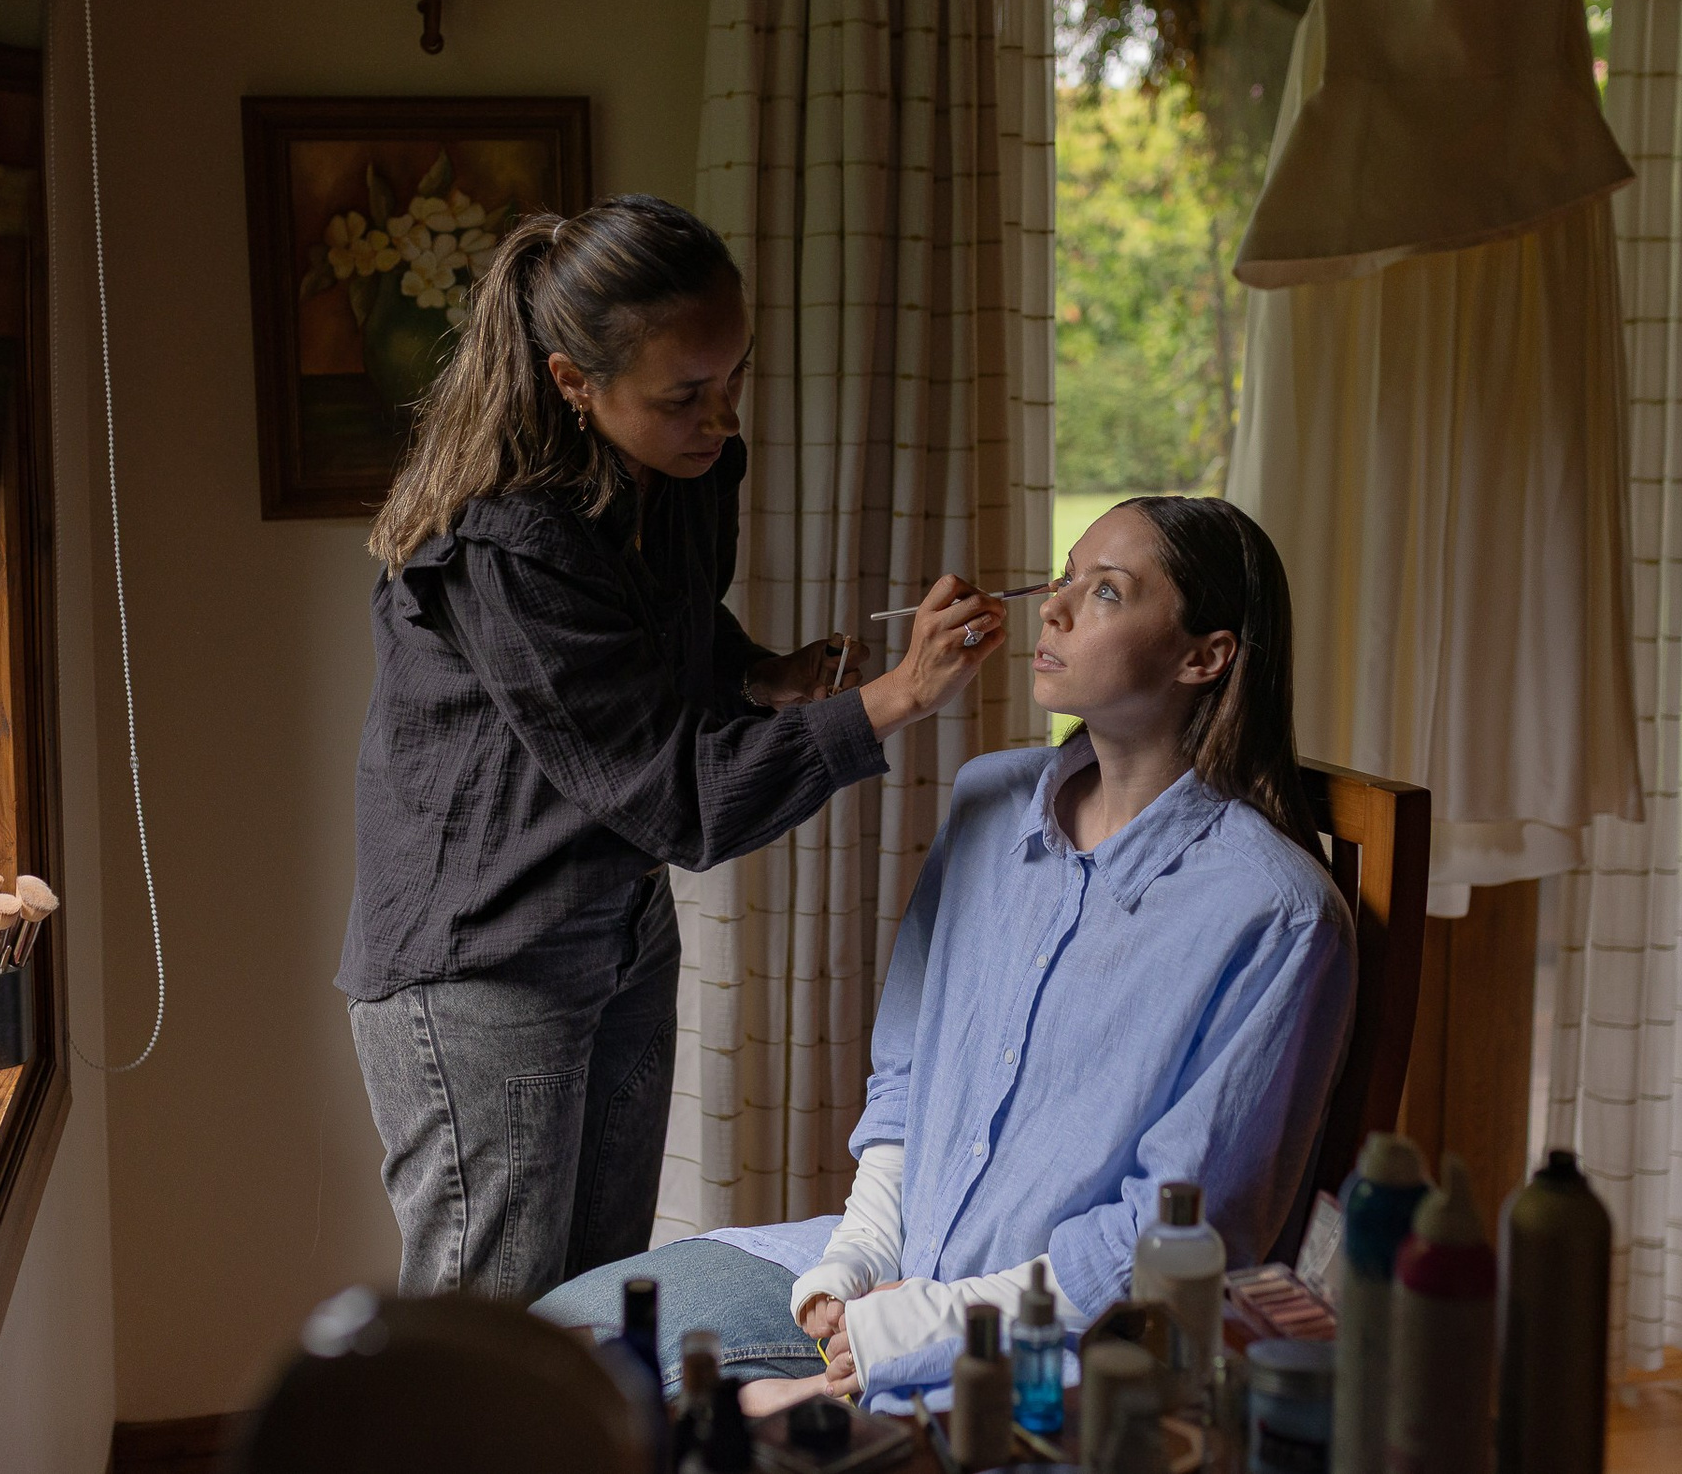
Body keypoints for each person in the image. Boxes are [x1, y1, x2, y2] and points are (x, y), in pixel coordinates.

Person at [534, 497, 1357, 1408]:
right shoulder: (988, 799)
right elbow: (906, 1084)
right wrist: (858, 1259)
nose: (1055, 607)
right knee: (539, 1358)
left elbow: (1171, 1236)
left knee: (613, 1415)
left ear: (1206, 655)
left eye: (1108, 591)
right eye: (1065, 576)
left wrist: (921, 1325)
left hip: (1059, 1344)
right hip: (878, 1265)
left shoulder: (1275, 915)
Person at [344, 193, 1007, 1304]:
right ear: (572, 382)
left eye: (734, 378)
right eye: (686, 395)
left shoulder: (685, 477)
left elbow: (667, 641)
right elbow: (675, 804)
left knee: (597, 1304)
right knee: (487, 1338)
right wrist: (894, 697)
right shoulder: (508, 545)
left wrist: (760, 673)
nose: (723, 417)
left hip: (618, 930)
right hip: (482, 966)